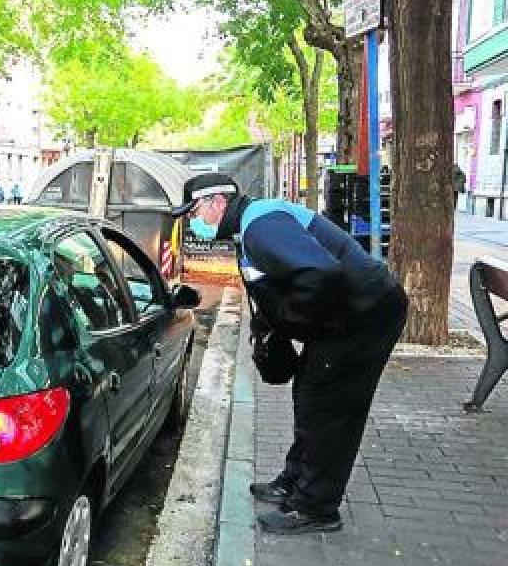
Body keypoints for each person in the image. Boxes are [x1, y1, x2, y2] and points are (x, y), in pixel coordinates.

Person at [171, 173, 408, 534]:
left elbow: (320, 273)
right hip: (344, 314)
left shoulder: (260, 227)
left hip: (365, 315)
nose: (193, 222)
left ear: (217, 203)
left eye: (194, 212)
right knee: (310, 390)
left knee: (330, 406)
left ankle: (316, 507)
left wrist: (289, 322)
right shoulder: (251, 223)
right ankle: (295, 480)